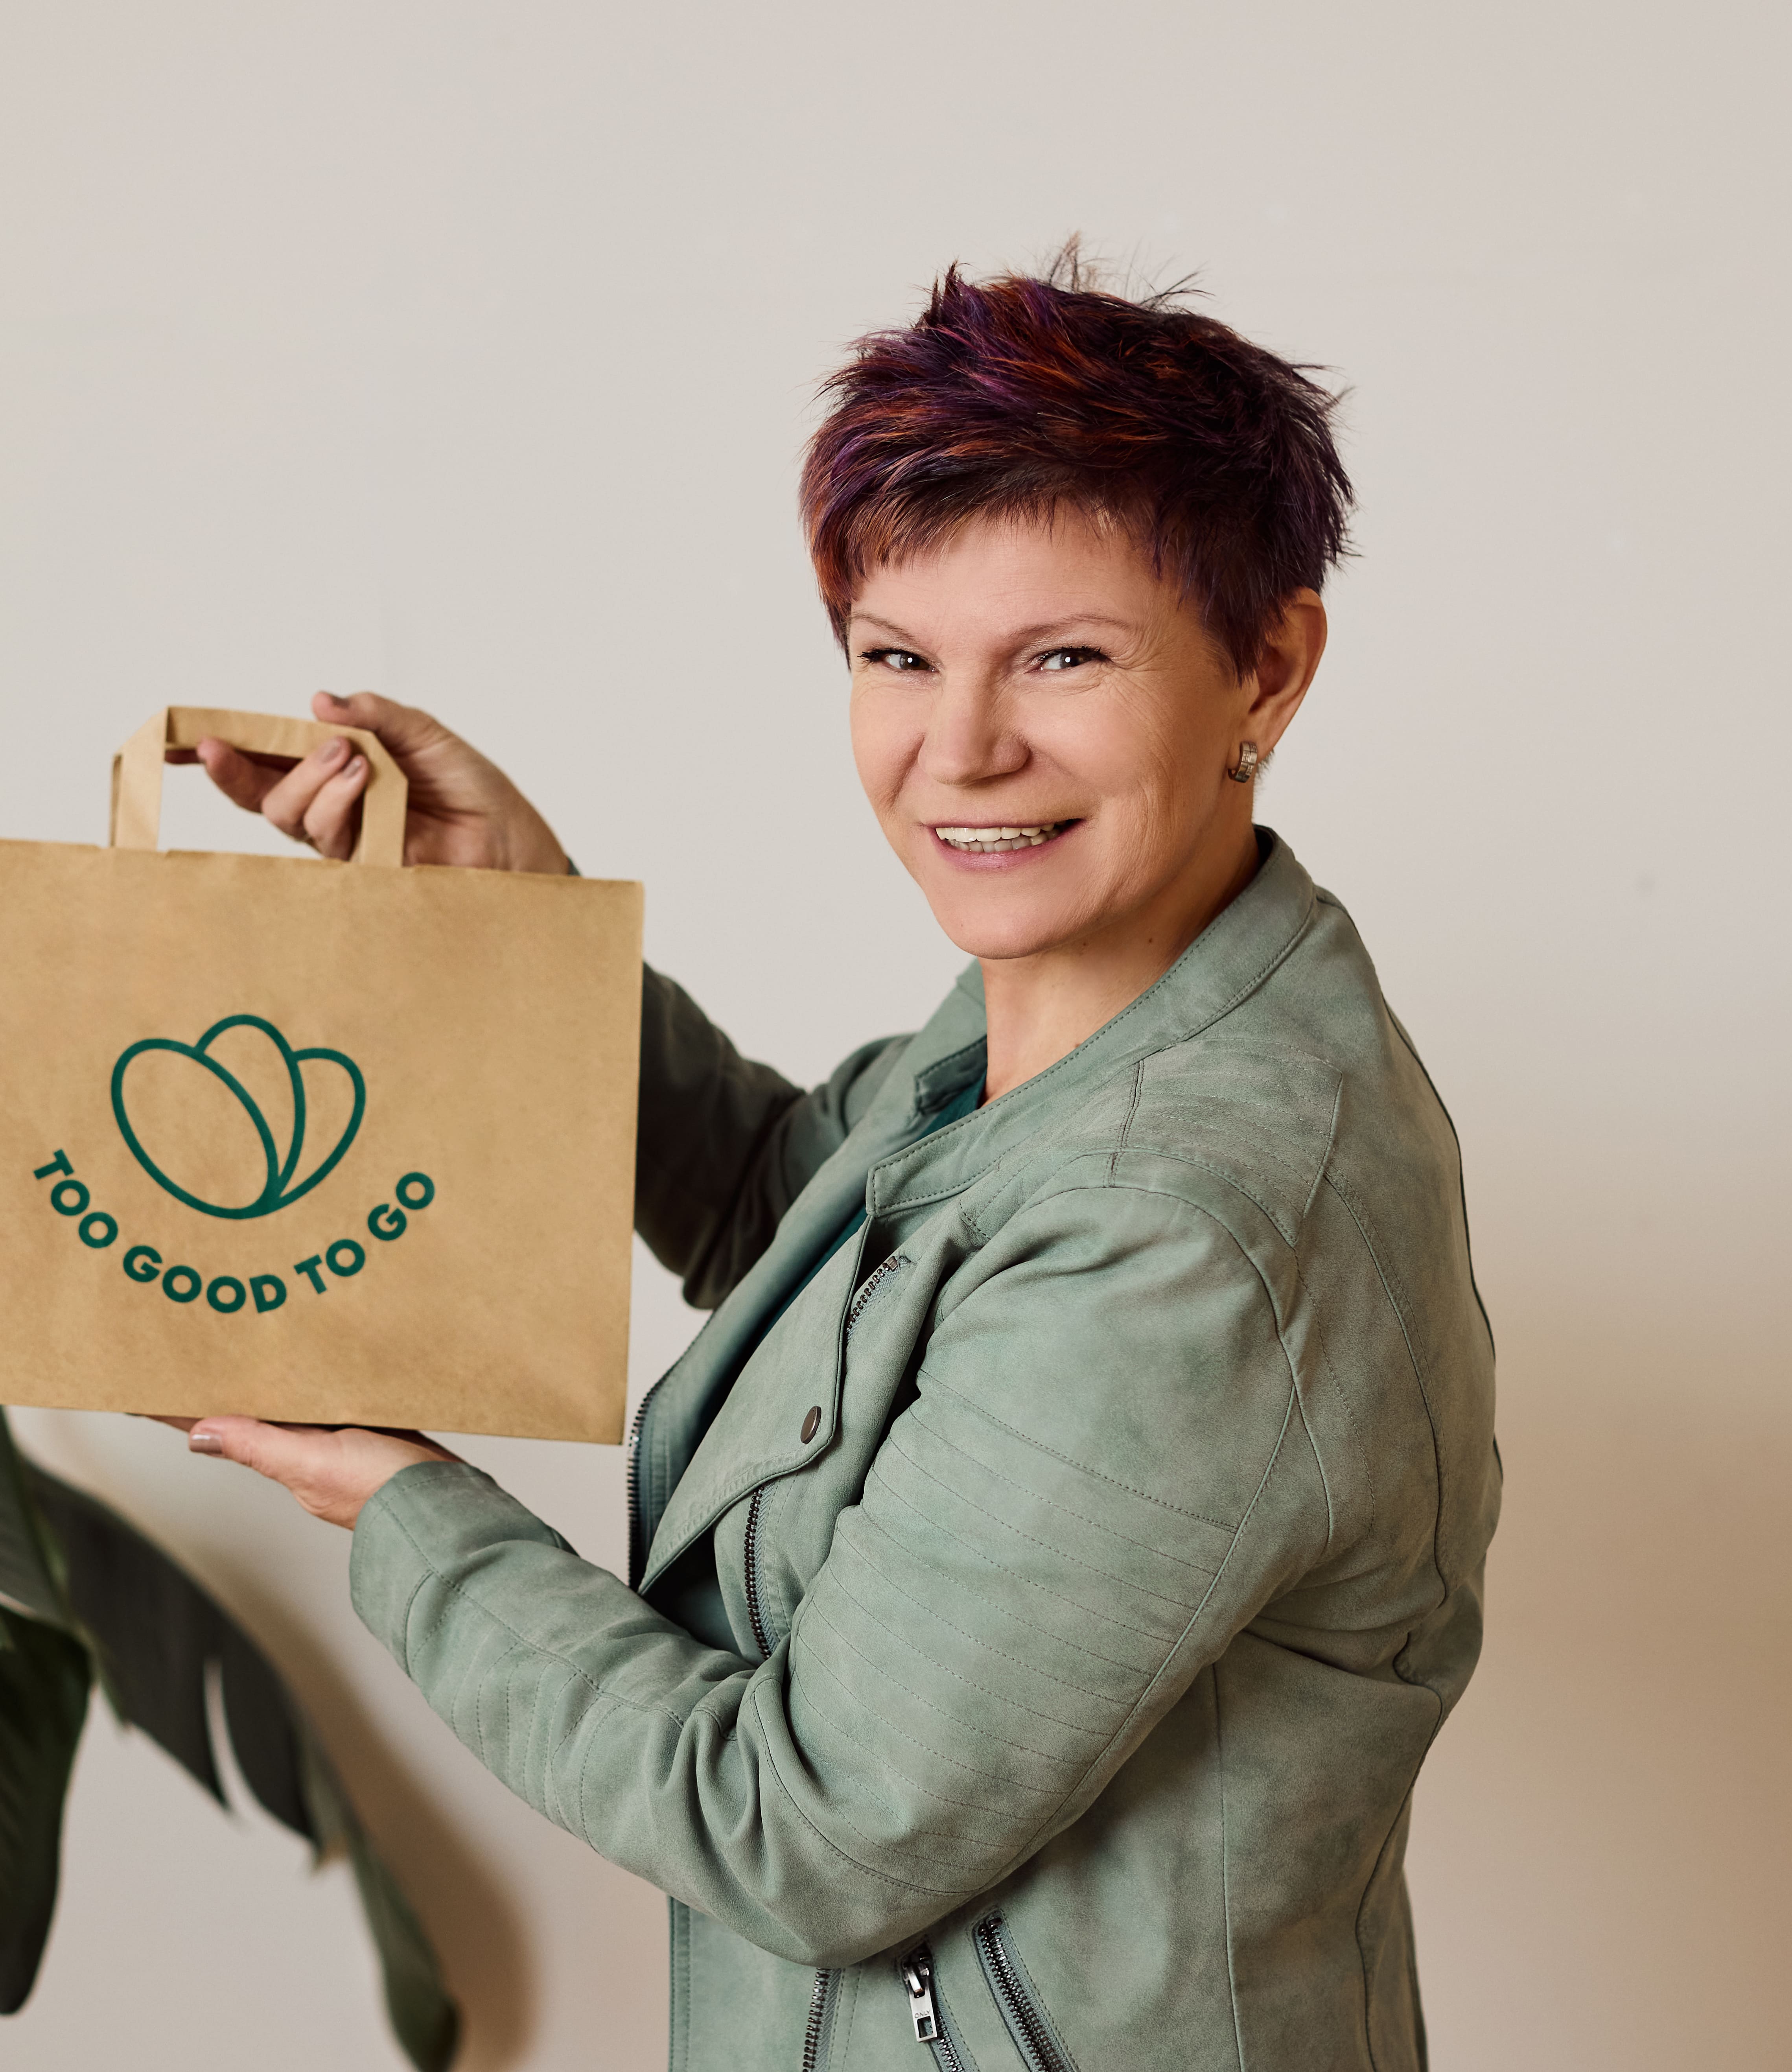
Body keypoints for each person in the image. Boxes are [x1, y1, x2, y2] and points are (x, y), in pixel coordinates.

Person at [171, 256, 1498, 2071]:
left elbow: (802, 1827)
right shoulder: (1077, 1014)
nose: (958, 750)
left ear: (1264, 662)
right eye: (897, 657)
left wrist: (400, 1505)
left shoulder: (1180, 1220)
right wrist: (519, 931)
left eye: (1062, 657)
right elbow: (794, 1216)